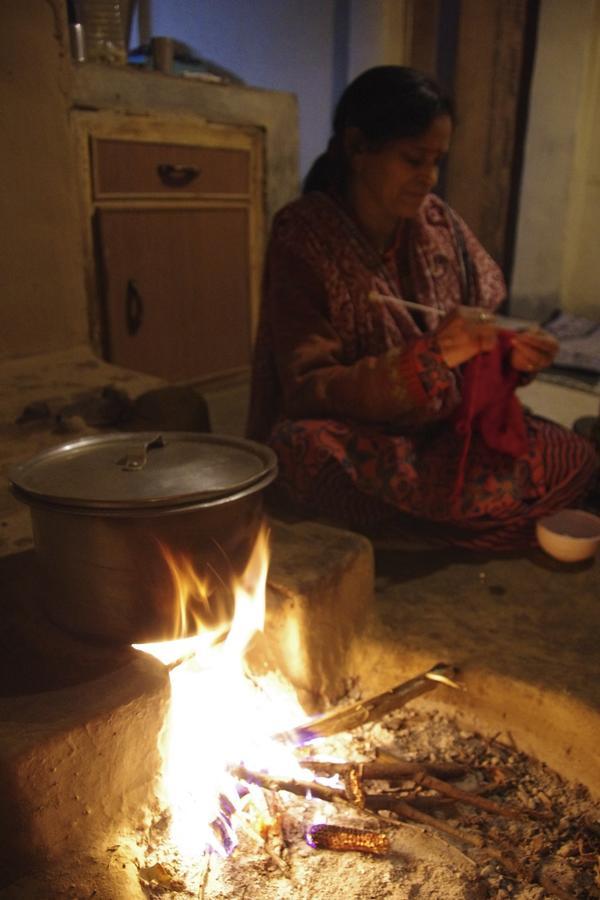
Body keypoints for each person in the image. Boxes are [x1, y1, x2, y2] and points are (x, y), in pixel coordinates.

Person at [246, 66, 598, 550]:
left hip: (443, 432)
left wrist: (508, 356)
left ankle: (418, 534)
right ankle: (457, 527)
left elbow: (482, 340)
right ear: (356, 147)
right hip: (362, 437)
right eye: (413, 159)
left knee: (571, 452)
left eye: (437, 161)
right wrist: (426, 361)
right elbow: (308, 389)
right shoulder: (303, 236)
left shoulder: (438, 222)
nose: (428, 178)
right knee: (301, 450)